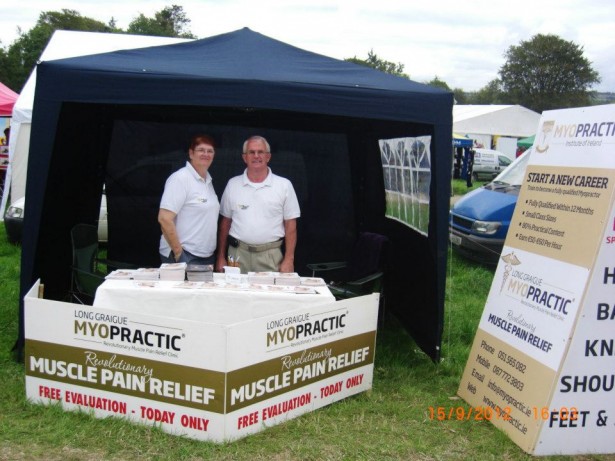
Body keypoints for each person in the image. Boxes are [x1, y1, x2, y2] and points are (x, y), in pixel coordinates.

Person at [216, 135, 300, 273]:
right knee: (235, 294)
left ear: (268, 156)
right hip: (236, 255)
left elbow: (291, 225)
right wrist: (220, 256)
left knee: (270, 294)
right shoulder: (233, 184)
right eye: (251, 152)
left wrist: (289, 259)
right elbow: (225, 224)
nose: (256, 156)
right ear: (244, 157)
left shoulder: (284, 185)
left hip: (270, 256)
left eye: (260, 152)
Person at [158, 134, 219, 265]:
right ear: (191, 153)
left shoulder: (208, 181)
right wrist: (179, 254)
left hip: (205, 256)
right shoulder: (180, 179)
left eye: (210, 151)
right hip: (184, 256)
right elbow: (164, 218)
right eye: (201, 150)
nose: (206, 154)